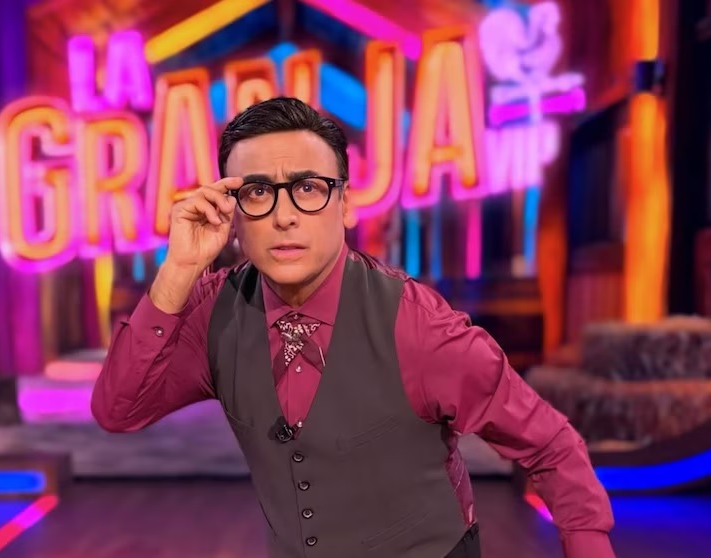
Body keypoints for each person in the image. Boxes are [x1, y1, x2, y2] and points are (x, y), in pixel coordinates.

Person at [91, 97, 615, 558]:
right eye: (257, 192)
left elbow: (550, 445)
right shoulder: (214, 311)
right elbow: (118, 410)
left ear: (345, 204)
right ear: (232, 213)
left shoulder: (419, 327)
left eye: (308, 188)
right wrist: (178, 270)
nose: (284, 216)